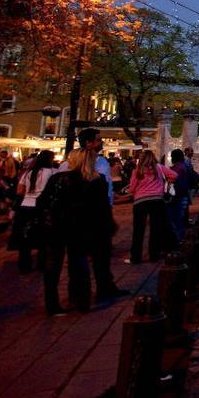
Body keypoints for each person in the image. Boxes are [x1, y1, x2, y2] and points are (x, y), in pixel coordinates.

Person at [36, 148, 113, 315]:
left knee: (53, 266)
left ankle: (52, 304)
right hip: (81, 227)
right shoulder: (96, 181)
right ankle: (81, 301)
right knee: (79, 263)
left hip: (56, 227)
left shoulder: (58, 178)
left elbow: (42, 202)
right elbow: (102, 209)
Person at [77, 128, 123, 299]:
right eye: (98, 140)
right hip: (89, 214)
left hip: (103, 211)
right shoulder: (75, 163)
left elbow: (107, 187)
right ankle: (80, 292)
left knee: (101, 254)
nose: (101, 142)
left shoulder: (102, 162)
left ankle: (104, 286)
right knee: (86, 254)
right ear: (88, 143)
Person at [125, 150, 176, 264]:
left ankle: (136, 257)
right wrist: (166, 182)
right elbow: (174, 175)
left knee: (138, 230)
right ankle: (154, 255)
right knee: (156, 229)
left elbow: (132, 188)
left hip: (140, 201)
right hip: (157, 200)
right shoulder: (159, 168)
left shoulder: (137, 171)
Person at [13, 149, 57, 272]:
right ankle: (41, 263)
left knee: (25, 236)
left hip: (25, 205)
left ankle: (24, 264)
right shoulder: (52, 172)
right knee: (43, 236)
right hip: (42, 206)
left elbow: (19, 191)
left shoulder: (29, 173)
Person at [166, 148, 197, 241]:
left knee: (176, 220)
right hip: (184, 194)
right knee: (181, 219)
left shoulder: (178, 167)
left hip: (178, 196)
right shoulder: (185, 165)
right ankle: (181, 239)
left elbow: (176, 183)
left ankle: (178, 241)